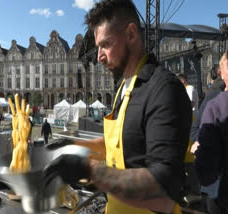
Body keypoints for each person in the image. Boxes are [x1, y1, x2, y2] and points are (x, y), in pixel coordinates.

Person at [44, 1, 192, 213]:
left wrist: (88, 169)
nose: (99, 57)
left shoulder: (164, 90)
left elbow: (164, 190)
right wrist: (71, 144)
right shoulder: (124, 85)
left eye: (105, 44)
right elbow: (120, 143)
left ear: (131, 34)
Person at [194, 52, 228, 213]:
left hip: (220, 191)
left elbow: (206, 165)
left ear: (221, 72)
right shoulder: (214, 100)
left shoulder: (216, 105)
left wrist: (198, 149)